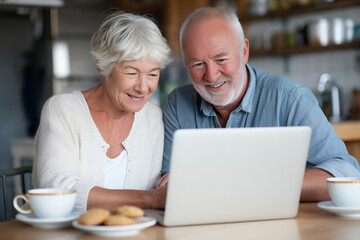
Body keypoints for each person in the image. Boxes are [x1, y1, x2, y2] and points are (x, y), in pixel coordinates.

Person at [160, 7, 360, 201]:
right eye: (197, 64)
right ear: (186, 64)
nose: (211, 76)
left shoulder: (290, 98)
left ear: (244, 51)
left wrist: (254, 184)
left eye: (221, 59)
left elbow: (346, 173)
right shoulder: (178, 104)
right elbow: (168, 184)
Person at [33, 11, 172, 212]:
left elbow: (151, 189)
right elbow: (58, 189)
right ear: (102, 67)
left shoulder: (152, 117)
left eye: (152, 74)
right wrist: (149, 198)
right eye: (131, 73)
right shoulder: (62, 110)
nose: (143, 87)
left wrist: (164, 185)